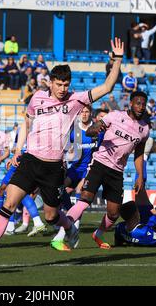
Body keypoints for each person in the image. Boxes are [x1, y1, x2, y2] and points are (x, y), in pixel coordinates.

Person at [0, 38, 125, 273]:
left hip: (54, 168)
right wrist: (17, 149)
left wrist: (117, 60)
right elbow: (26, 120)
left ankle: (68, 227)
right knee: (9, 204)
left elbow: (107, 88)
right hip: (30, 160)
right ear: (51, 82)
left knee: (52, 216)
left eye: (66, 84)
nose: (63, 88)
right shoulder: (37, 98)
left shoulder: (76, 100)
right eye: (59, 84)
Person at [64, 91, 149, 250]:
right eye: (138, 103)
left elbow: (139, 154)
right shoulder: (115, 116)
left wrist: (140, 176)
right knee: (85, 198)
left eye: (143, 104)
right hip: (100, 163)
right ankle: (61, 235)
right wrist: (95, 128)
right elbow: (89, 131)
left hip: (117, 172)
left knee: (113, 214)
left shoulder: (144, 129)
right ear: (130, 103)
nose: (141, 106)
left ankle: (98, 235)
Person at [51, 107, 106, 251]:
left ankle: (75, 227)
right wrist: (63, 157)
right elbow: (64, 145)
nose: (84, 114)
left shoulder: (96, 131)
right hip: (75, 168)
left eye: (87, 112)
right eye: (82, 112)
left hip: (90, 169)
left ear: (91, 114)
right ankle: (71, 213)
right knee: (60, 189)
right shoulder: (74, 131)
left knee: (79, 191)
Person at [114, 146, 156, 247]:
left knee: (138, 188)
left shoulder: (120, 227)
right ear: (135, 214)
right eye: (136, 210)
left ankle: (144, 157)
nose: (137, 209)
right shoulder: (143, 233)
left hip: (142, 221)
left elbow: (118, 241)